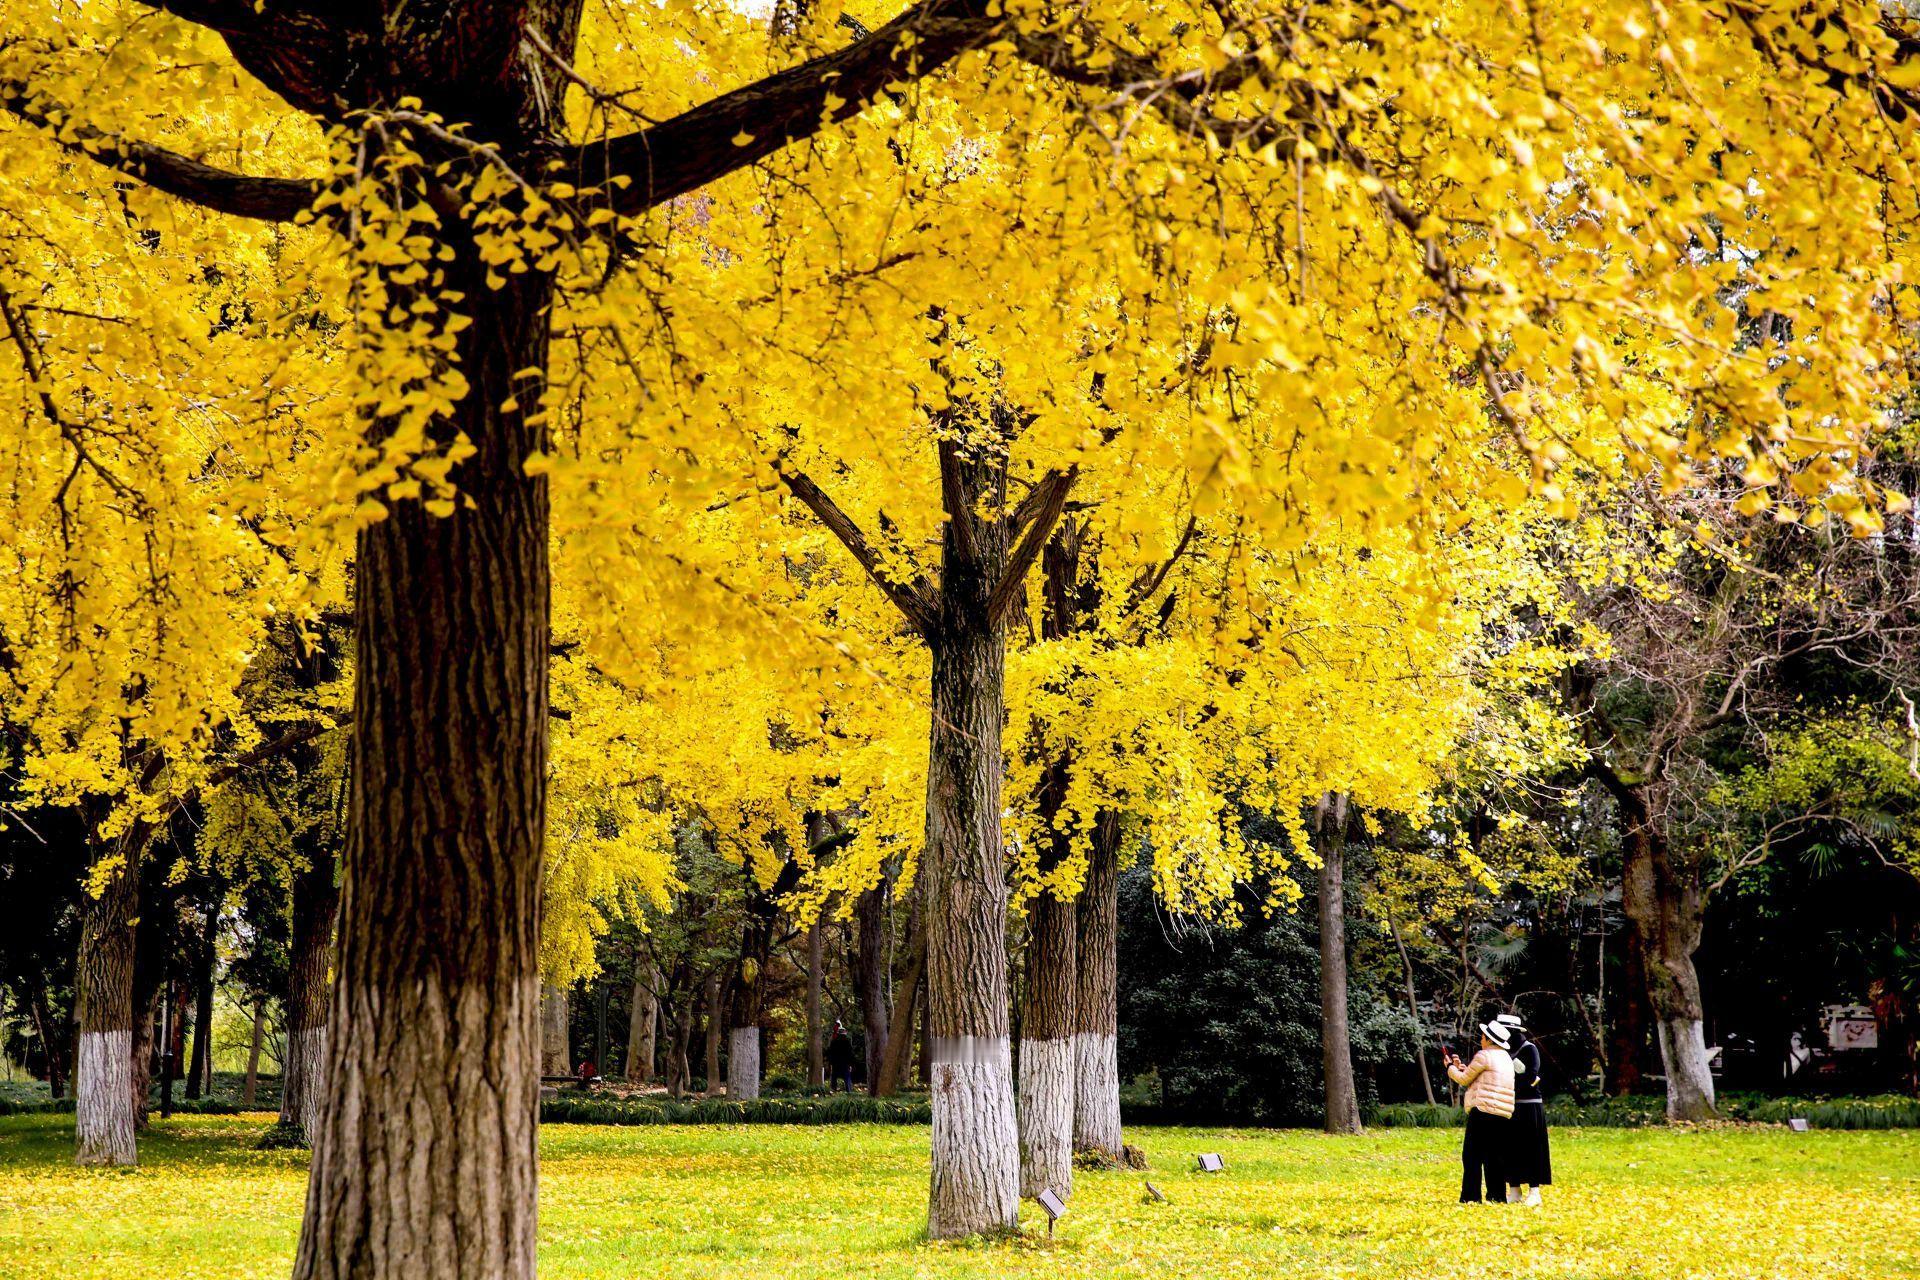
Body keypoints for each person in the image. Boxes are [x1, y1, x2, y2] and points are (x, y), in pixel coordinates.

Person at [1444, 1020, 1516, 1204]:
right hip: (1502, 1112)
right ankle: (1497, 1196)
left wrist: (1450, 1068)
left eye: (1483, 1036)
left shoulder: (1484, 1055)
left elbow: (1463, 1080)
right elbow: (1481, 1077)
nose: (1481, 1039)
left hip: (1483, 1110)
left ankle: (1471, 1196)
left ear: (1489, 1039)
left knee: (1471, 1155)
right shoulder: (1506, 1058)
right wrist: (1463, 1067)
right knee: (1495, 1156)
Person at [1498, 1012, 1551, 1207]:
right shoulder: (1501, 1051)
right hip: (1510, 1104)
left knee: (1532, 1147)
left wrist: (1511, 1083)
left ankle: (1534, 1191)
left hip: (1529, 1105)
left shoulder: (1530, 1049)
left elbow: (1531, 1076)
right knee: (1511, 1147)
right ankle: (1514, 1189)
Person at [825, 1020, 856, 1093]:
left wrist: (830, 1063)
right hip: (845, 1063)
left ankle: (833, 1090)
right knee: (847, 1077)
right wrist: (851, 1064)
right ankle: (849, 1091)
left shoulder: (834, 1042)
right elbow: (850, 1054)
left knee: (834, 1077)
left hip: (835, 1063)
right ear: (845, 1033)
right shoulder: (847, 1042)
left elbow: (830, 1053)